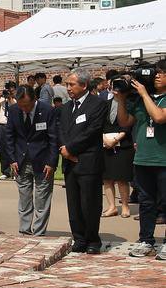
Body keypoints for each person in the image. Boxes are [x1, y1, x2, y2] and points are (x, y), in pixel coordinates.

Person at [116, 59, 166, 259]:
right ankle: (146, 240)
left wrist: (145, 94)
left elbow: (160, 117)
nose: (157, 75)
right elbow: (125, 121)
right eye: (156, 72)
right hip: (143, 159)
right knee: (146, 202)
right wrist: (120, 100)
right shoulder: (140, 99)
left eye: (162, 72)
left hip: (163, 160)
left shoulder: (150, 98)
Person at [58, 69, 108, 254]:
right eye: (67, 85)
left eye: (72, 84)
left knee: (90, 204)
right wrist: (65, 150)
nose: (68, 88)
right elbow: (60, 130)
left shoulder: (98, 104)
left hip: (88, 162)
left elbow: (92, 131)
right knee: (74, 204)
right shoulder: (66, 107)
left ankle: (92, 240)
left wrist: (71, 149)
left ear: (84, 85)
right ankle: (79, 238)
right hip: (70, 163)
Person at [3, 85, 59, 236]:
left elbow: (54, 139)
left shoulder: (48, 110)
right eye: (21, 105)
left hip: (43, 161)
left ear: (35, 99)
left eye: (27, 105)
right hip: (20, 161)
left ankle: (39, 232)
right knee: (24, 198)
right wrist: (12, 158)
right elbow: (9, 137)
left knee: (42, 198)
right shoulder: (14, 110)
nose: (24, 109)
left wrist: (52, 162)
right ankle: (25, 230)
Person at [102, 79, 134, 218]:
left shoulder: (130, 104)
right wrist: (104, 139)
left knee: (122, 178)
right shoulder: (104, 104)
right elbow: (98, 124)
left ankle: (125, 206)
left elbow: (128, 125)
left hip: (123, 144)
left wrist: (116, 139)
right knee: (107, 178)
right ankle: (111, 206)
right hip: (105, 143)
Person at [0, 82, 17, 180]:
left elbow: (16, 107)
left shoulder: (16, 98)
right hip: (2, 125)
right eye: (8, 89)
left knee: (13, 148)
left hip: (12, 126)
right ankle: (5, 171)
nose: (9, 91)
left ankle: (15, 172)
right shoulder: (2, 98)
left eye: (11, 89)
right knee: (3, 149)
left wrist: (10, 98)